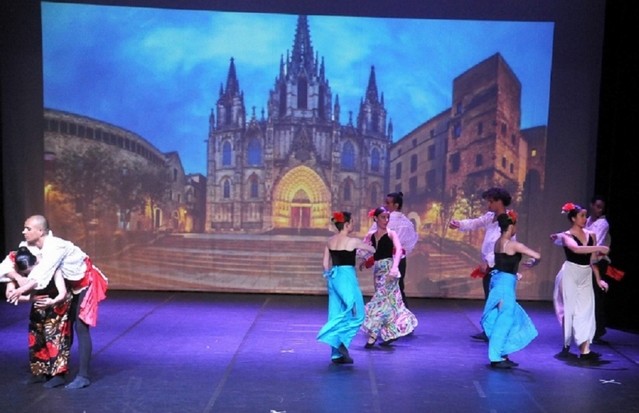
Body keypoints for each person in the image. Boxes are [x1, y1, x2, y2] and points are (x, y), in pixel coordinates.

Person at [5, 215, 108, 389]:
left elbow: (41, 274)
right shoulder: (27, 245)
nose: (24, 232)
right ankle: (53, 372)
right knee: (61, 328)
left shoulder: (56, 247)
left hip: (85, 284)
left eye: (28, 229)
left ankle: (83, 376)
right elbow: (8, 264)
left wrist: (20, 291)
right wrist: (12, 281)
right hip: (68, 285)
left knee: (81, 326)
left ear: (40, 231)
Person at [1, 247, 73, 387]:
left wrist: (52, 302)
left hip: (56, 300)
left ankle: (59, 374)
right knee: (36, 332)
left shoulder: (50, 265)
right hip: (37, 300)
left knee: (55, 335)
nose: (29, 275)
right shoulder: (15, 272)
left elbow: (63, 292)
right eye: (25, 274)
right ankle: (40, 371)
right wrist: (31, 298)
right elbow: (10, 295)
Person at [448, 187, 513, 341]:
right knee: (489, 298)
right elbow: (476, 222)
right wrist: (459, 224)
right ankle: (489, 329)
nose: (488, 205)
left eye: (491, 201)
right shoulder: (491, 217)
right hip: (490, 265)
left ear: (499, 201)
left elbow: (503, 245)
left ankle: (498, 332)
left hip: (500, 265)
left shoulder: (508, 221)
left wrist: (490, 262)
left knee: (498, 300)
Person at [480, 211, 540, 369]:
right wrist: (533, 262)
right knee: (505, 320)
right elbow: (537, 255)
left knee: (505, 318)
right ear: (511, 226)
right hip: (505, 284)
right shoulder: (514, 245)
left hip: (498, 281)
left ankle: (501, 354)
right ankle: (496, 357)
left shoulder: (498, 242)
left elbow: (503, 264)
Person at [317, 211, 376, 364]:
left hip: (333, 277)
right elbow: (372, 251)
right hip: (347, 277)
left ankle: (336, 355)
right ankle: (341, 341)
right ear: (347, 224)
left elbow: (325, 263)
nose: (353, 225)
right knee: (358, 313)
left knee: (337, 312)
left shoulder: (330, 241)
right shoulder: (353, 242)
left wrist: (328, 276)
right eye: (352, 222)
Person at [552, 203, 609, 361]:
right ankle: (566, 344)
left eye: (585, 215)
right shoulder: (566, 236)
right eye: (582, 216)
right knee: (569, 311)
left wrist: (599, 280)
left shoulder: (591, 235)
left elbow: (592, 260)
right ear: (573, 218)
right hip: (570, 273)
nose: (585, 219)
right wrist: (600, 248)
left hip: (585, 274)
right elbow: (576, 249)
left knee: (586, 311)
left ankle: (585, 350)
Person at [360, 206, 418, 348]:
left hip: (389, 271)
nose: (386, 220)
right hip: (378, 271)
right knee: (388, 304)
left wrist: (394, 268)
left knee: (380, 301)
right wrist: (364, 259)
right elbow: (366, 249)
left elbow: (398, 250)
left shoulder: (392, 234)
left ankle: (373, 334)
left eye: (387, 217)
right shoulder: (372, 235)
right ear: (376, 218)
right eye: (383, 217)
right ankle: (390, 333)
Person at [366, 192, 418, 308]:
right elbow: (410, 244)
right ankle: (400, 319)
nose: (385, 205)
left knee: (385, 289)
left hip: (388, 260)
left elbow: (371, 239)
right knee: (397, 288)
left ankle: (390, 318)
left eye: (388, 203)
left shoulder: (389, 221)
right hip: (396, 260)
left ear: (396, 205)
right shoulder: (406, 223)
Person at [585, 195, 611, 343]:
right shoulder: (588, 220)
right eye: (597, 206)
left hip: (598, 261)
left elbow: (597, 243)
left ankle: (599, 328)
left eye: (602, 207)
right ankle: (590, 327)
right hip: (588, 260)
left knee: (596, 295)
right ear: (592, 205)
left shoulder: (602, 223)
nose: (600, 209)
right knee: (589, 296)